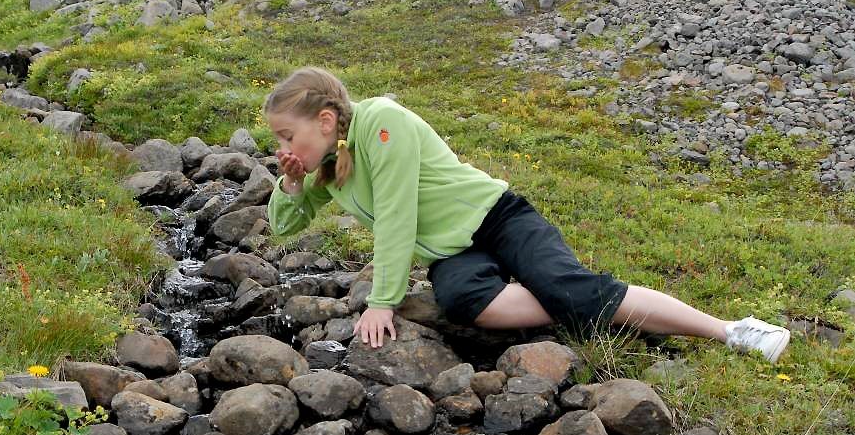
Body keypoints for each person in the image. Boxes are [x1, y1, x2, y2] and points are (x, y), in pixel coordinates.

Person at [264, 66, 792, 364]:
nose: (284, 145)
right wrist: (292, 181)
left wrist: (383, 302)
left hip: (497, 216)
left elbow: (399, 211)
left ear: (327, 120)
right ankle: (593, 304)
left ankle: (731, 330)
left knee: (570, 286)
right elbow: (284, 224)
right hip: (454, 252)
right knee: (462, 299)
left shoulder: (382, 120)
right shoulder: (327, 166)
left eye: (288, 136)